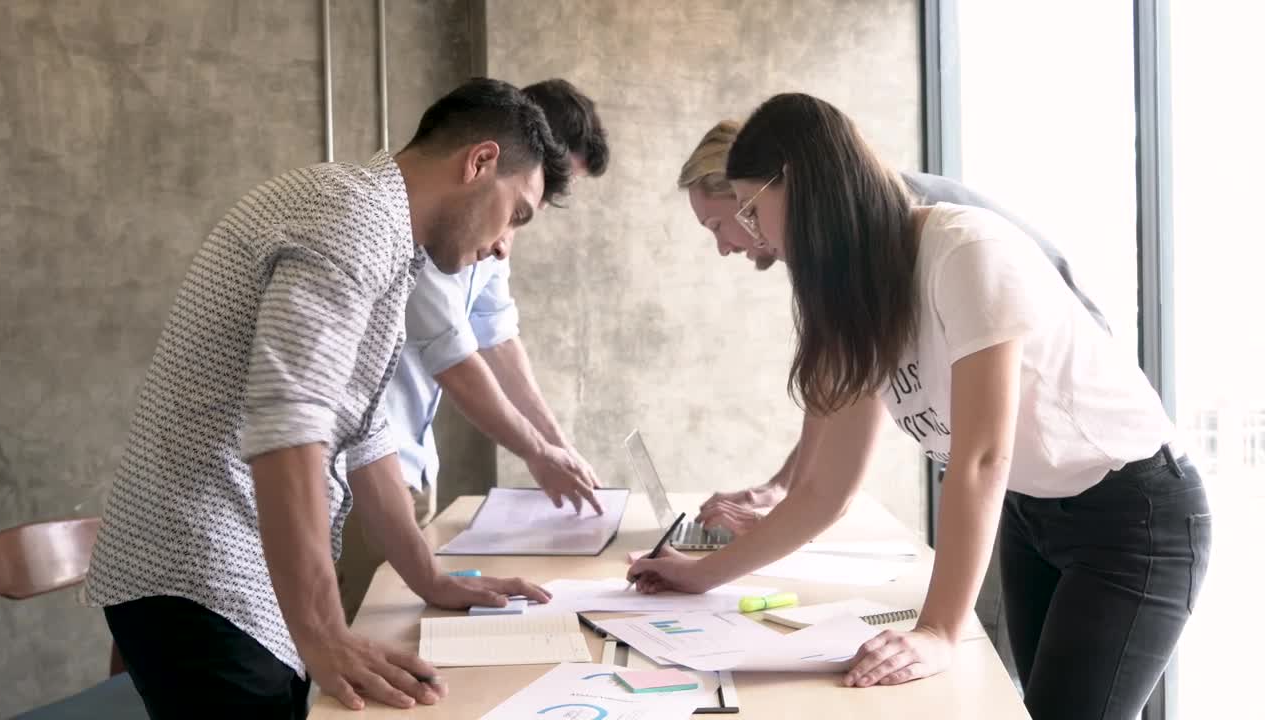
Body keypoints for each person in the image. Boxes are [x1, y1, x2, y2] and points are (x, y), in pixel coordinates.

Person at [632, 94, 1210, 720]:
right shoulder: (854, 295)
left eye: (750, 209)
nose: (751, 234)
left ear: (797, 184)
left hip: (1134, 517)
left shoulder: (963, 250)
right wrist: (703, 574)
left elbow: (983, 456)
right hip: (1033, 509)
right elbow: (824, 491)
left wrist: (936, 631)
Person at [84, 78, 570, 719]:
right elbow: (289, 422)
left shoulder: (387, 235)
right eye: (518, 214)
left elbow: (362, 431)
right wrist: (323, 632)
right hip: (197, 571)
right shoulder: (354, 218)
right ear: (479, 162)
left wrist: (428, 577)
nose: (506, 243)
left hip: (235, 573)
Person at [677, 119, 1110, 536]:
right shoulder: (825, 237)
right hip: (1026, 458)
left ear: (748, 195)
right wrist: (784, 488)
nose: (723, 248)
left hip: (1074, 423)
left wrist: (793, 497)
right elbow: (835, 383)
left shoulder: (879, 219)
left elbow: (853, 380)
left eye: (718, 225)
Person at [337, 78, 610, 622]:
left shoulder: (473, 233)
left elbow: (497, 337)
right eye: (532, 200)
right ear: (494, 157)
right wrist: (535, 451)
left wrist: (557, 447)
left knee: (395, 630)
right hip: (354, 482)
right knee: (365, 643)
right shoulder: (399, 228)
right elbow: (454, 358)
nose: (509, 239)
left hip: (404, 462)